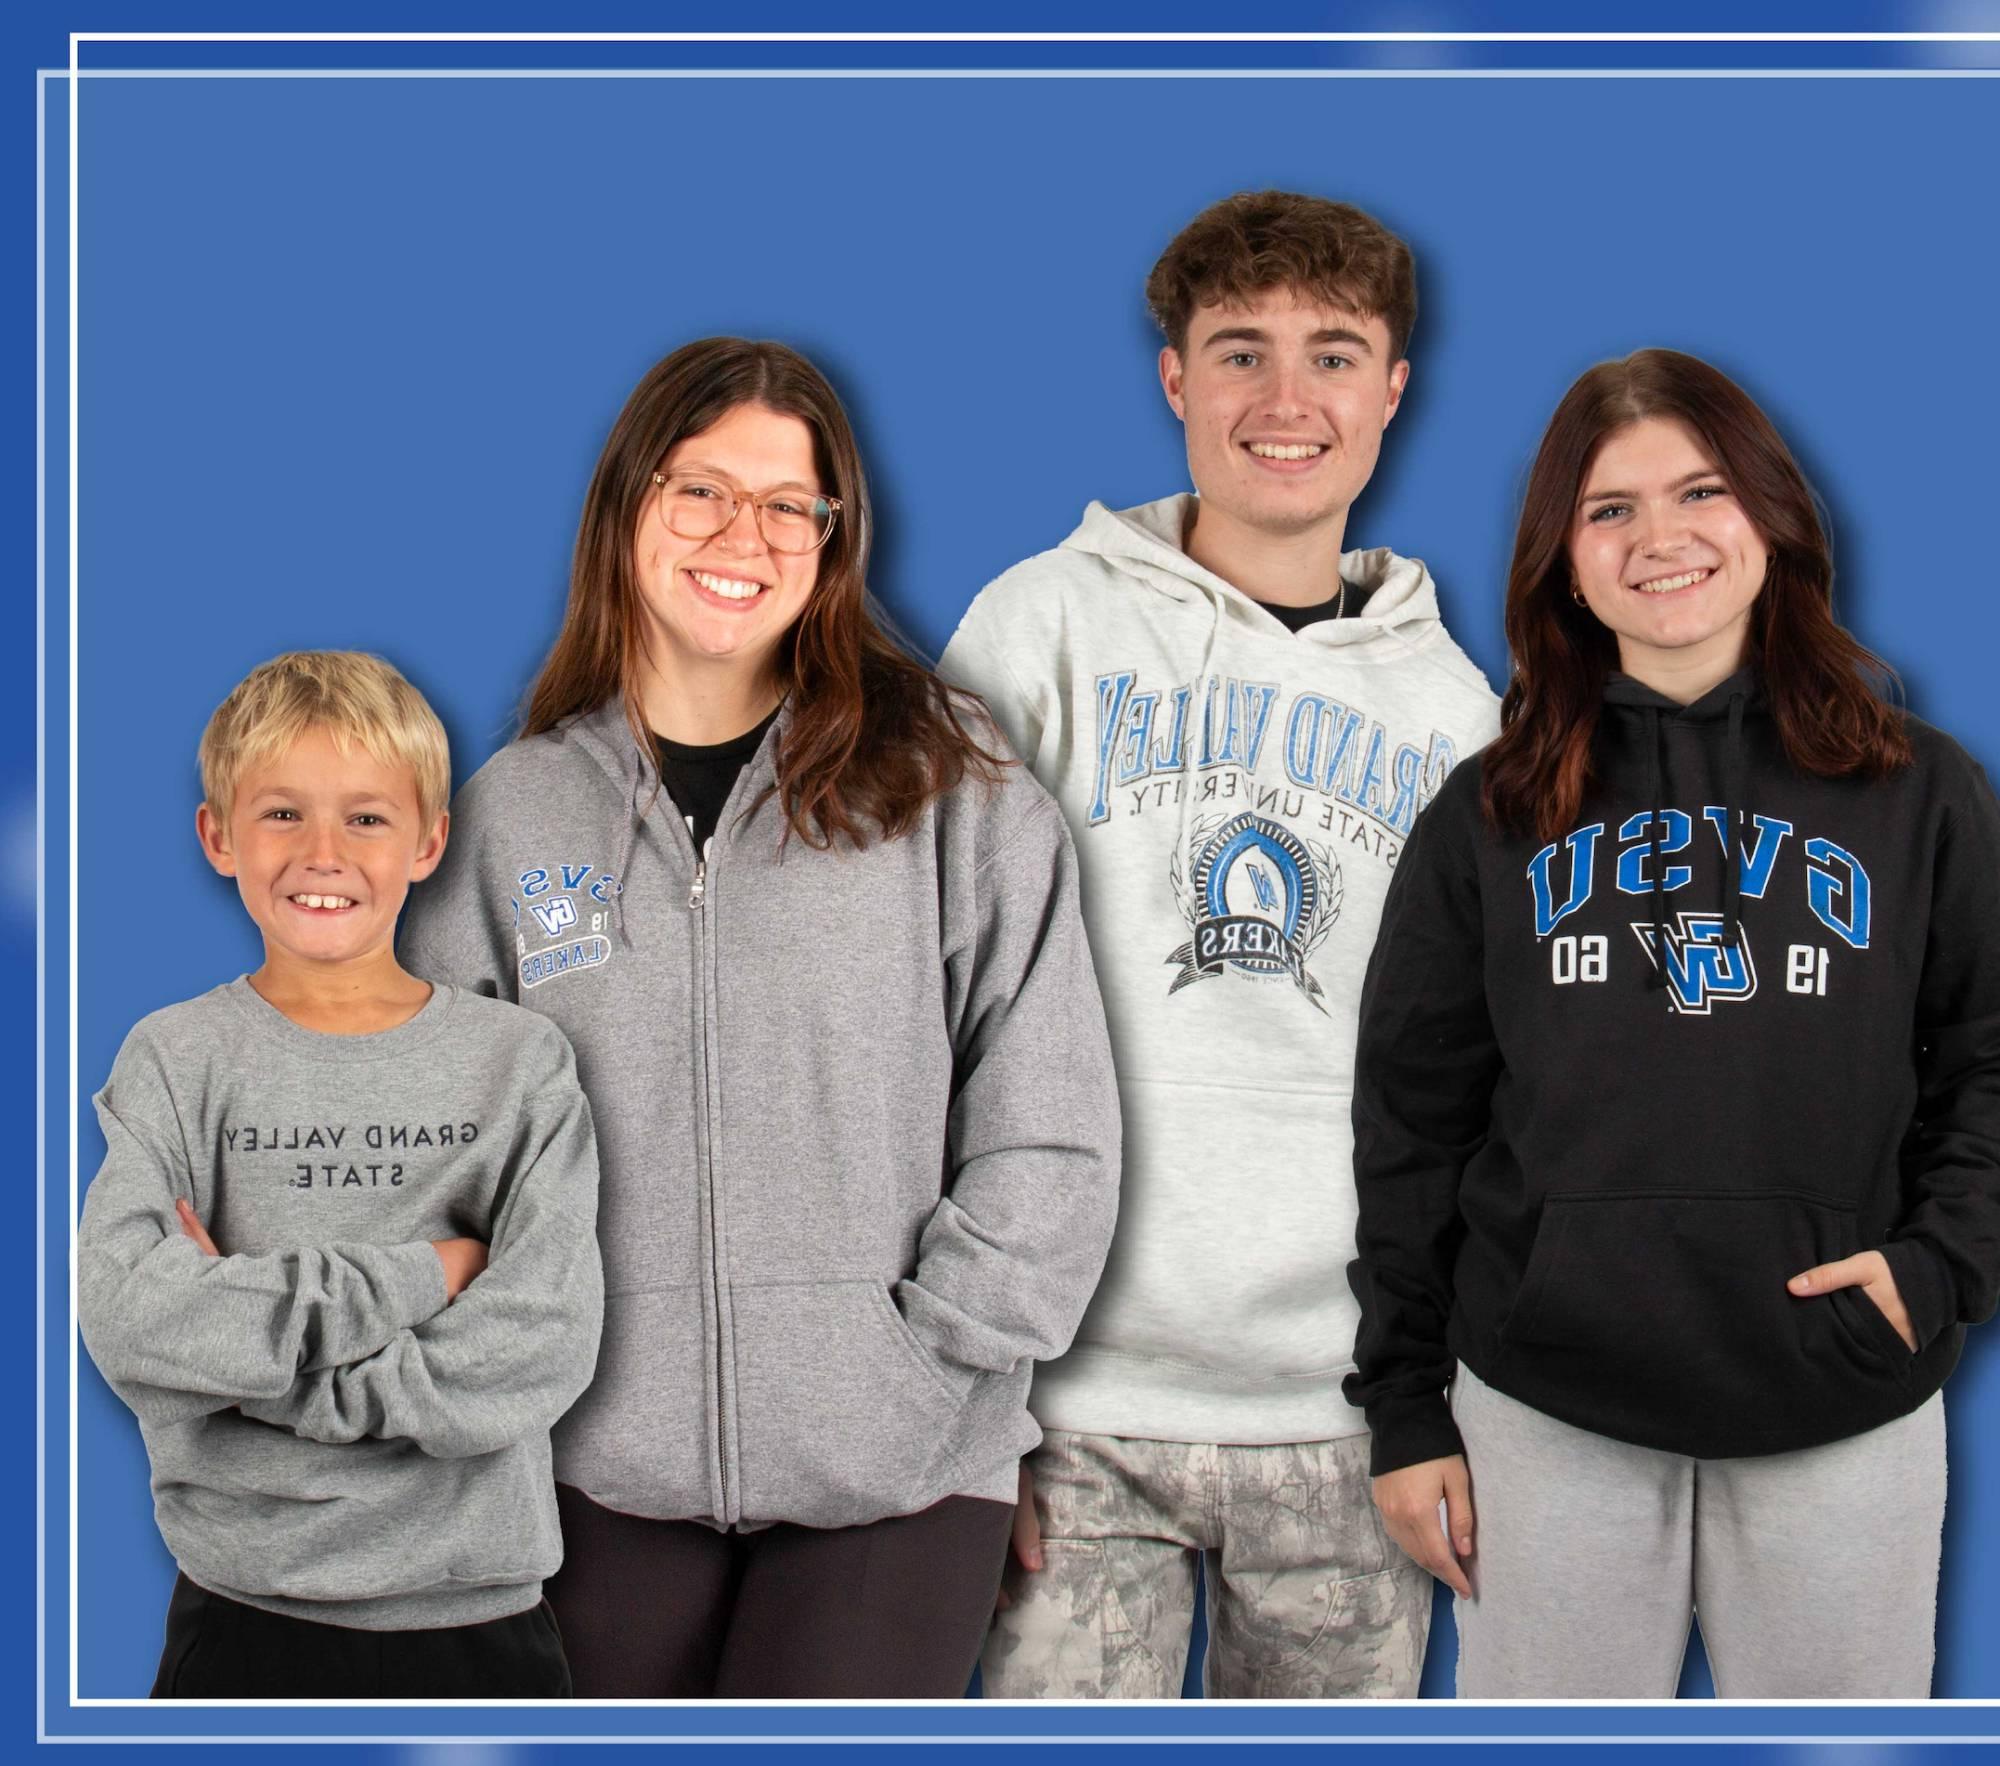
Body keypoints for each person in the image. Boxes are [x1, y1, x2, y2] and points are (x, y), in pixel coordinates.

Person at [398, 335, 1122, 1699]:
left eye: (791, 504)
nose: (748, 535)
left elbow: (1052, 1117)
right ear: (627, 508)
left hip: (899, 1460)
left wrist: (926, 1351)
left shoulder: (948, 786)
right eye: (703, 492)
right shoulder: (514, 813)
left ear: (834, 538)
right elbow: (448, 1142)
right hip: (590, 1458)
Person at [1346, 348, 2000, 1698]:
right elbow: (1411, 1126)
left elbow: (1992, 1060)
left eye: (1700, 490)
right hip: (1546, 1405)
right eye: (1609, 508)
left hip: (1844, 1401)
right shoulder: (1486, 816)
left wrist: (1936, 1269)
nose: (1661, 538)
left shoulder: (1917, 790)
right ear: (1562, 561)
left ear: (1768, 517)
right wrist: (1406, 1410)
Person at [942, 190, 1500, 1698]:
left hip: (1343, 1409)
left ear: (1395, 389)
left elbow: (1479, 1086)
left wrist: (1431, 1397)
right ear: (1175, 379)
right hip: (1069, 1405)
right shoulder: (1037, 628)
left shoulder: (1461, 717)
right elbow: (921, 1005)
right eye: (1237, 351)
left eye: (1335, 354)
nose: (1285, 399)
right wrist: (957, 1399)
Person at [77, 650, 603, 1699]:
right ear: (217, 835)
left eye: (366, 817)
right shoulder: (175, 1058)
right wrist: (429, 1273)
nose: (323, 852)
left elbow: (545, 1337)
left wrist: (268, 1367)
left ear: (429, 840)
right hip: (243, 1618)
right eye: (281, 814)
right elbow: (132, 1317)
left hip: (482, 1622)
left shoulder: (519, 1061)